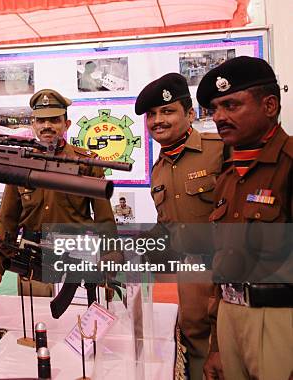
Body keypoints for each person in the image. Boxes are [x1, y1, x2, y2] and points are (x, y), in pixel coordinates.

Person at [198, 56, 293, 380]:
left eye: (231, 105)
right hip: (229, 317)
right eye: (215, 109)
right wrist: (216, 345)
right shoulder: (227, 176)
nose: (219, 117)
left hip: (279, 320)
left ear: (269, 105)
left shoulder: (290, 165)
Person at [0, 88, 117, 296]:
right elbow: (8, 218)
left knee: (79, 321)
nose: (47, 126)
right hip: (31, 257)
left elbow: (104, 218)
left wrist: (109, 267)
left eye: (54, 120)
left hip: (76, 254)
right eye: (41, 121)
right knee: (36, 322)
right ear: (33, 124)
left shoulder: (86, 162)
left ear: (66, 124)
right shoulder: (19, 163)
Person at [135, 72, 224, 380]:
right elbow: (168, 228)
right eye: (152, 115)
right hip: (189, 293)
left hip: (229, 290)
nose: (158, 120)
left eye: (167, 111)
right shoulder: (158, 170)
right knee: (197, 363)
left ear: (189, 114)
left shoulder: (220, 150)